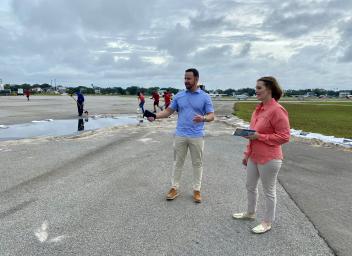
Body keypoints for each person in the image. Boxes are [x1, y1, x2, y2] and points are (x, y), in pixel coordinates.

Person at [232, 76, 290, 234]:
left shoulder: (277, 110)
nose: (255, 91)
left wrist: (260, 136)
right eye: (256, 87)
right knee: (250, 186)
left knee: (269, 191)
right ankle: (250, 213)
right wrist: (247, 153)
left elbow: (285, 136)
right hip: (254, 156)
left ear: (269, 89)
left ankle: (267, 222)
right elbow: (254, 134)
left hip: (270, 158)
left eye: (259, 88)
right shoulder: (258, 109)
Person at [147, 68, 215, 203]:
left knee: (197, 163)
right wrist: (155, 116)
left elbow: (212, 115)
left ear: (196, 79)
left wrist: (203, 118)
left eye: (189, 78)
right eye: (185, 78)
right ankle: (174, 188)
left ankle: (197, 190)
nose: (186, 81)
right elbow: (167, 112)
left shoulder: (205, 96)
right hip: (180, 135)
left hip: (196, 135)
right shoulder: (179, 96)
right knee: (178, 163)